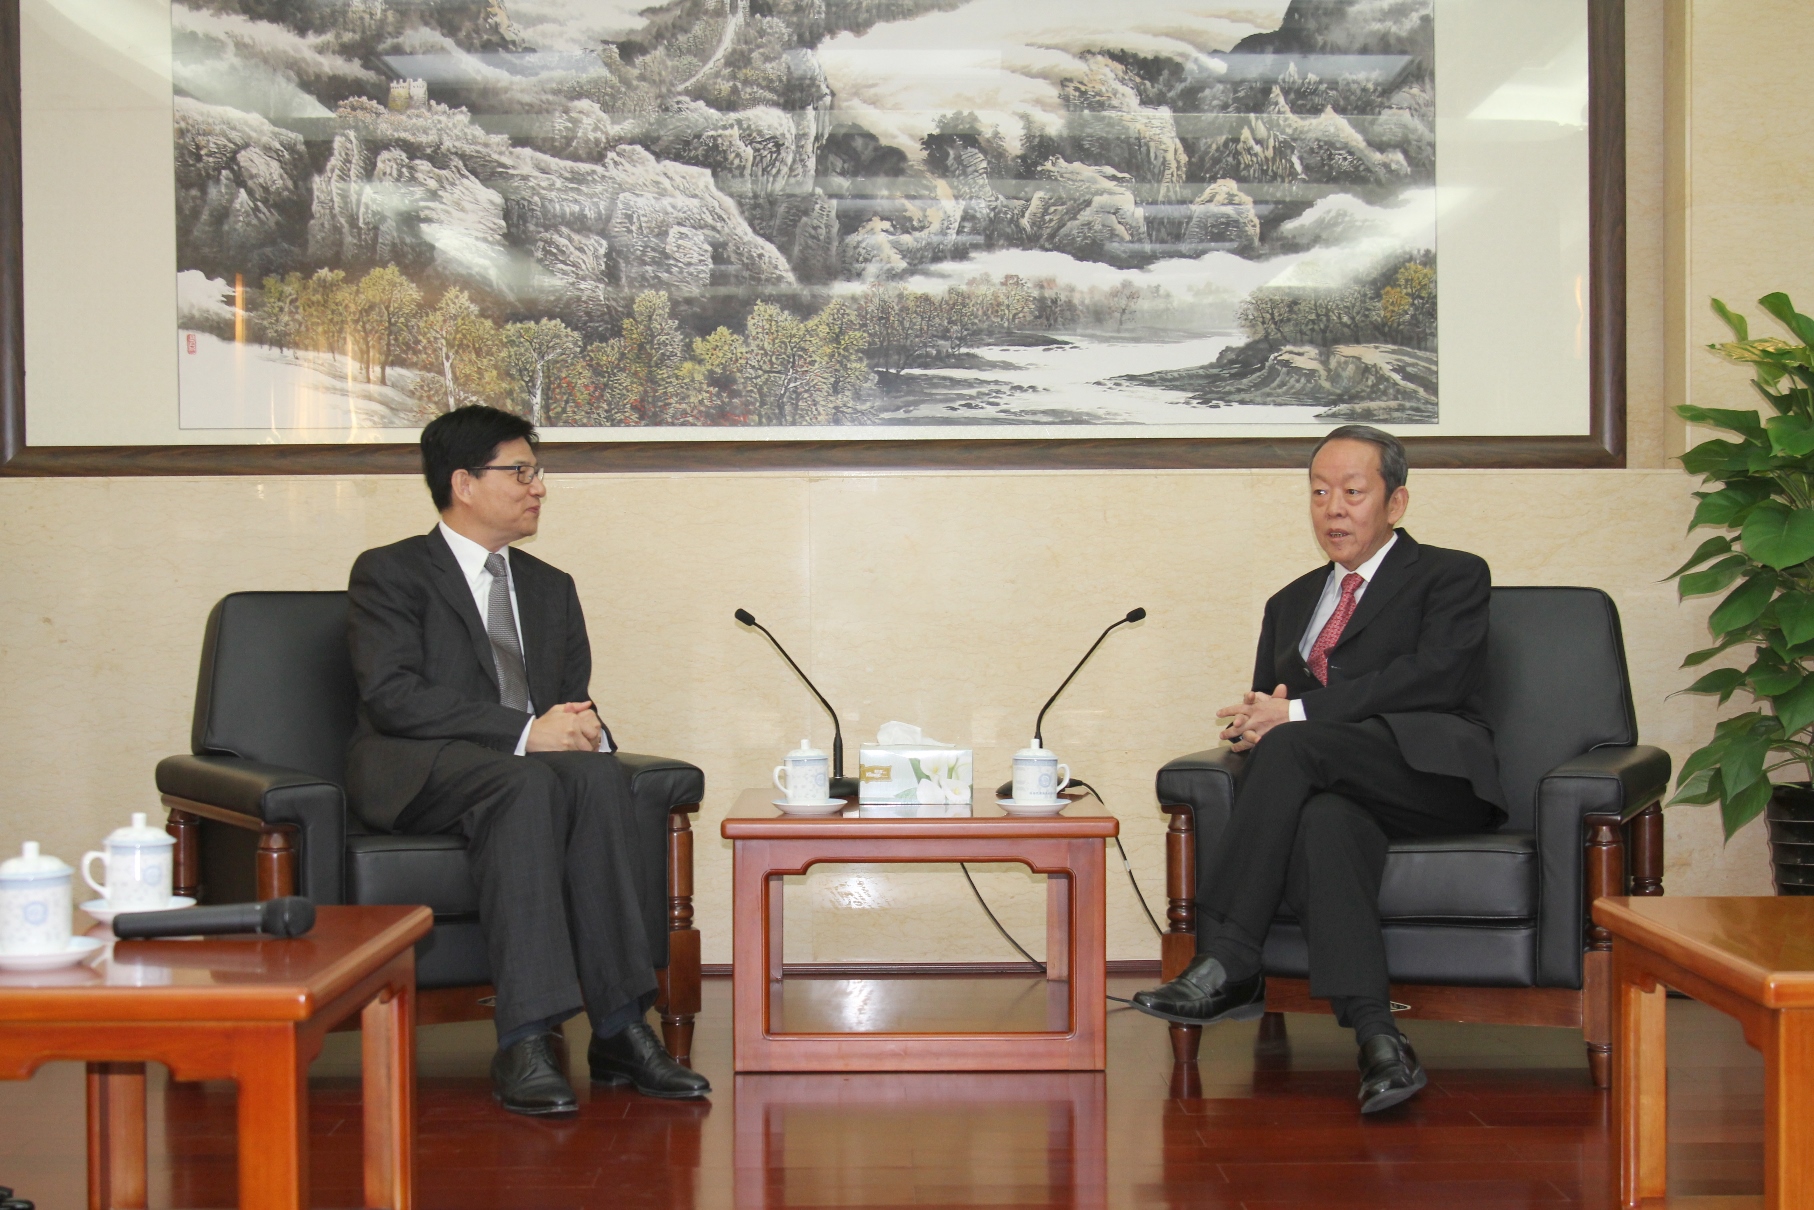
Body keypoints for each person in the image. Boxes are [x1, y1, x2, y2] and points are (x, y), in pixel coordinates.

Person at [345, 404, 709, 1115]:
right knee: (524, 783)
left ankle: (620, 1027)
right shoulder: (391, 572)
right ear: (463, 483)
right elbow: (393, 697)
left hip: (522, 768)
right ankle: (526, 1036)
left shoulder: (550, 587)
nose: (537, 487)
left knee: (596, 776)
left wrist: (583, 730)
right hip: (420, 765)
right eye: (519, 472)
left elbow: (568, 698)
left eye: (537, 471)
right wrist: (523, 733)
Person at [1130, 424, 1505, 1114]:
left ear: (1395, 502)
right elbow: (1273, 708)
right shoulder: (1290, 603)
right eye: (1319, 492)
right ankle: (1379, 1041)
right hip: (1337, 785)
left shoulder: (1452, 574)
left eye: (1352, 492)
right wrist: (1253, 727)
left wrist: (1297, 716)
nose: (1333, 508)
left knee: (1295, 745)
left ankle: (1230, 955)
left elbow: (1437, 677)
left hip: (1430, 776)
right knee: (1325, 824)